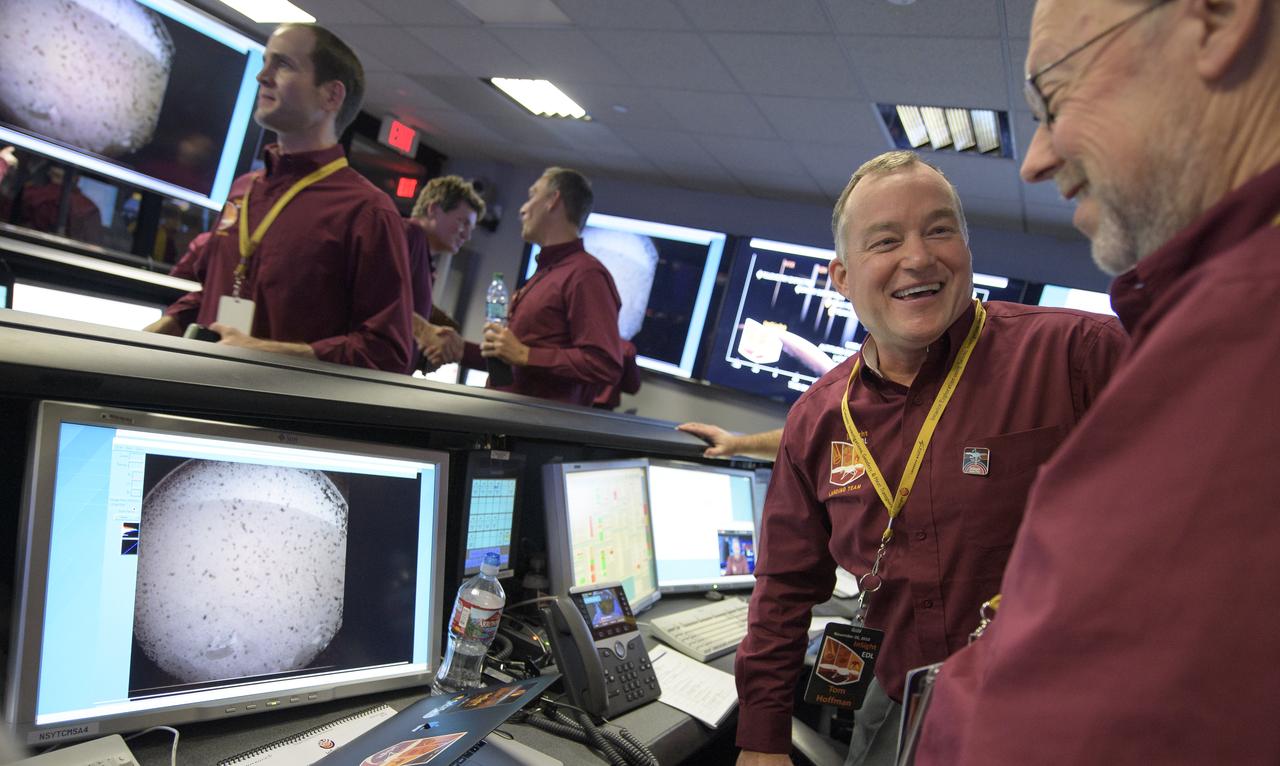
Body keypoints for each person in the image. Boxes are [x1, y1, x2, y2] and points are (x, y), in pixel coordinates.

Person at [915, 1, 1280, 762]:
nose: (1034, 158)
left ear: (1218, 15)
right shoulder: (1205, 331)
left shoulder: (1241, 345)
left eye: (1053, 98)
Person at [734, 150, 1127, 766]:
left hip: (1059, 717)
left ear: (967, 252)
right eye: (885, 240)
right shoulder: (817, 420)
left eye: (939, 230)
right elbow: (784, 588)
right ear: (841, 277)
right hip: (897, 712)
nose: (917, 257)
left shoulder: (1078, 357)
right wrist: (761, 737)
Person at [145, 23, 413, 373]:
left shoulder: (367, 211)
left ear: (331, 95)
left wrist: (268, 352)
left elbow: (387, 352)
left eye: (283, 65)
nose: (262, 76)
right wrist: (169, 324)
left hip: (279, 419)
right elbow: (214, 290)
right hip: (200, 393)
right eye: (265, 61)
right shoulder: (244, 189)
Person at [462, 167, 623, 406]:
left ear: (553, 200)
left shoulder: (586, 274)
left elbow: (604, 363)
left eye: (532, 195)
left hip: (534, 434)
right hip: (504, 420)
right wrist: (459, 350)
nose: (523, 208)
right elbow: (515, 363)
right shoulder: (545, 274)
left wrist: (527, 355)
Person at [404, 175, 485, 371]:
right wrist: (425, 331)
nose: (466, 235)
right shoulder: (405, 236)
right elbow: (379, 302)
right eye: (463, 222)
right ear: (433, 209)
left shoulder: (422, 253)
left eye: (470, 228)